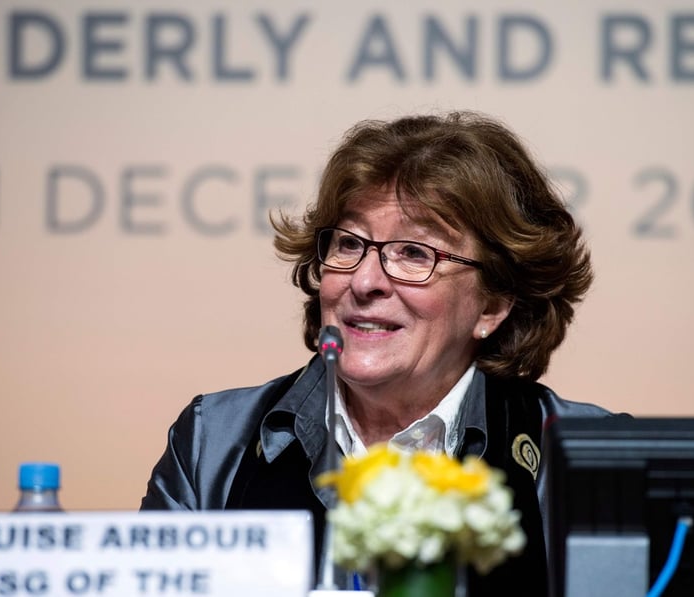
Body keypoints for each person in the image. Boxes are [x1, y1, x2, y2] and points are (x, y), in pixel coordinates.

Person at [141, 111, 615, 596]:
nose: (364, 282)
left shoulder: (589, 461)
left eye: (414, 252)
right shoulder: (214, 442)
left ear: (492, 304)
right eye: (349, 243)